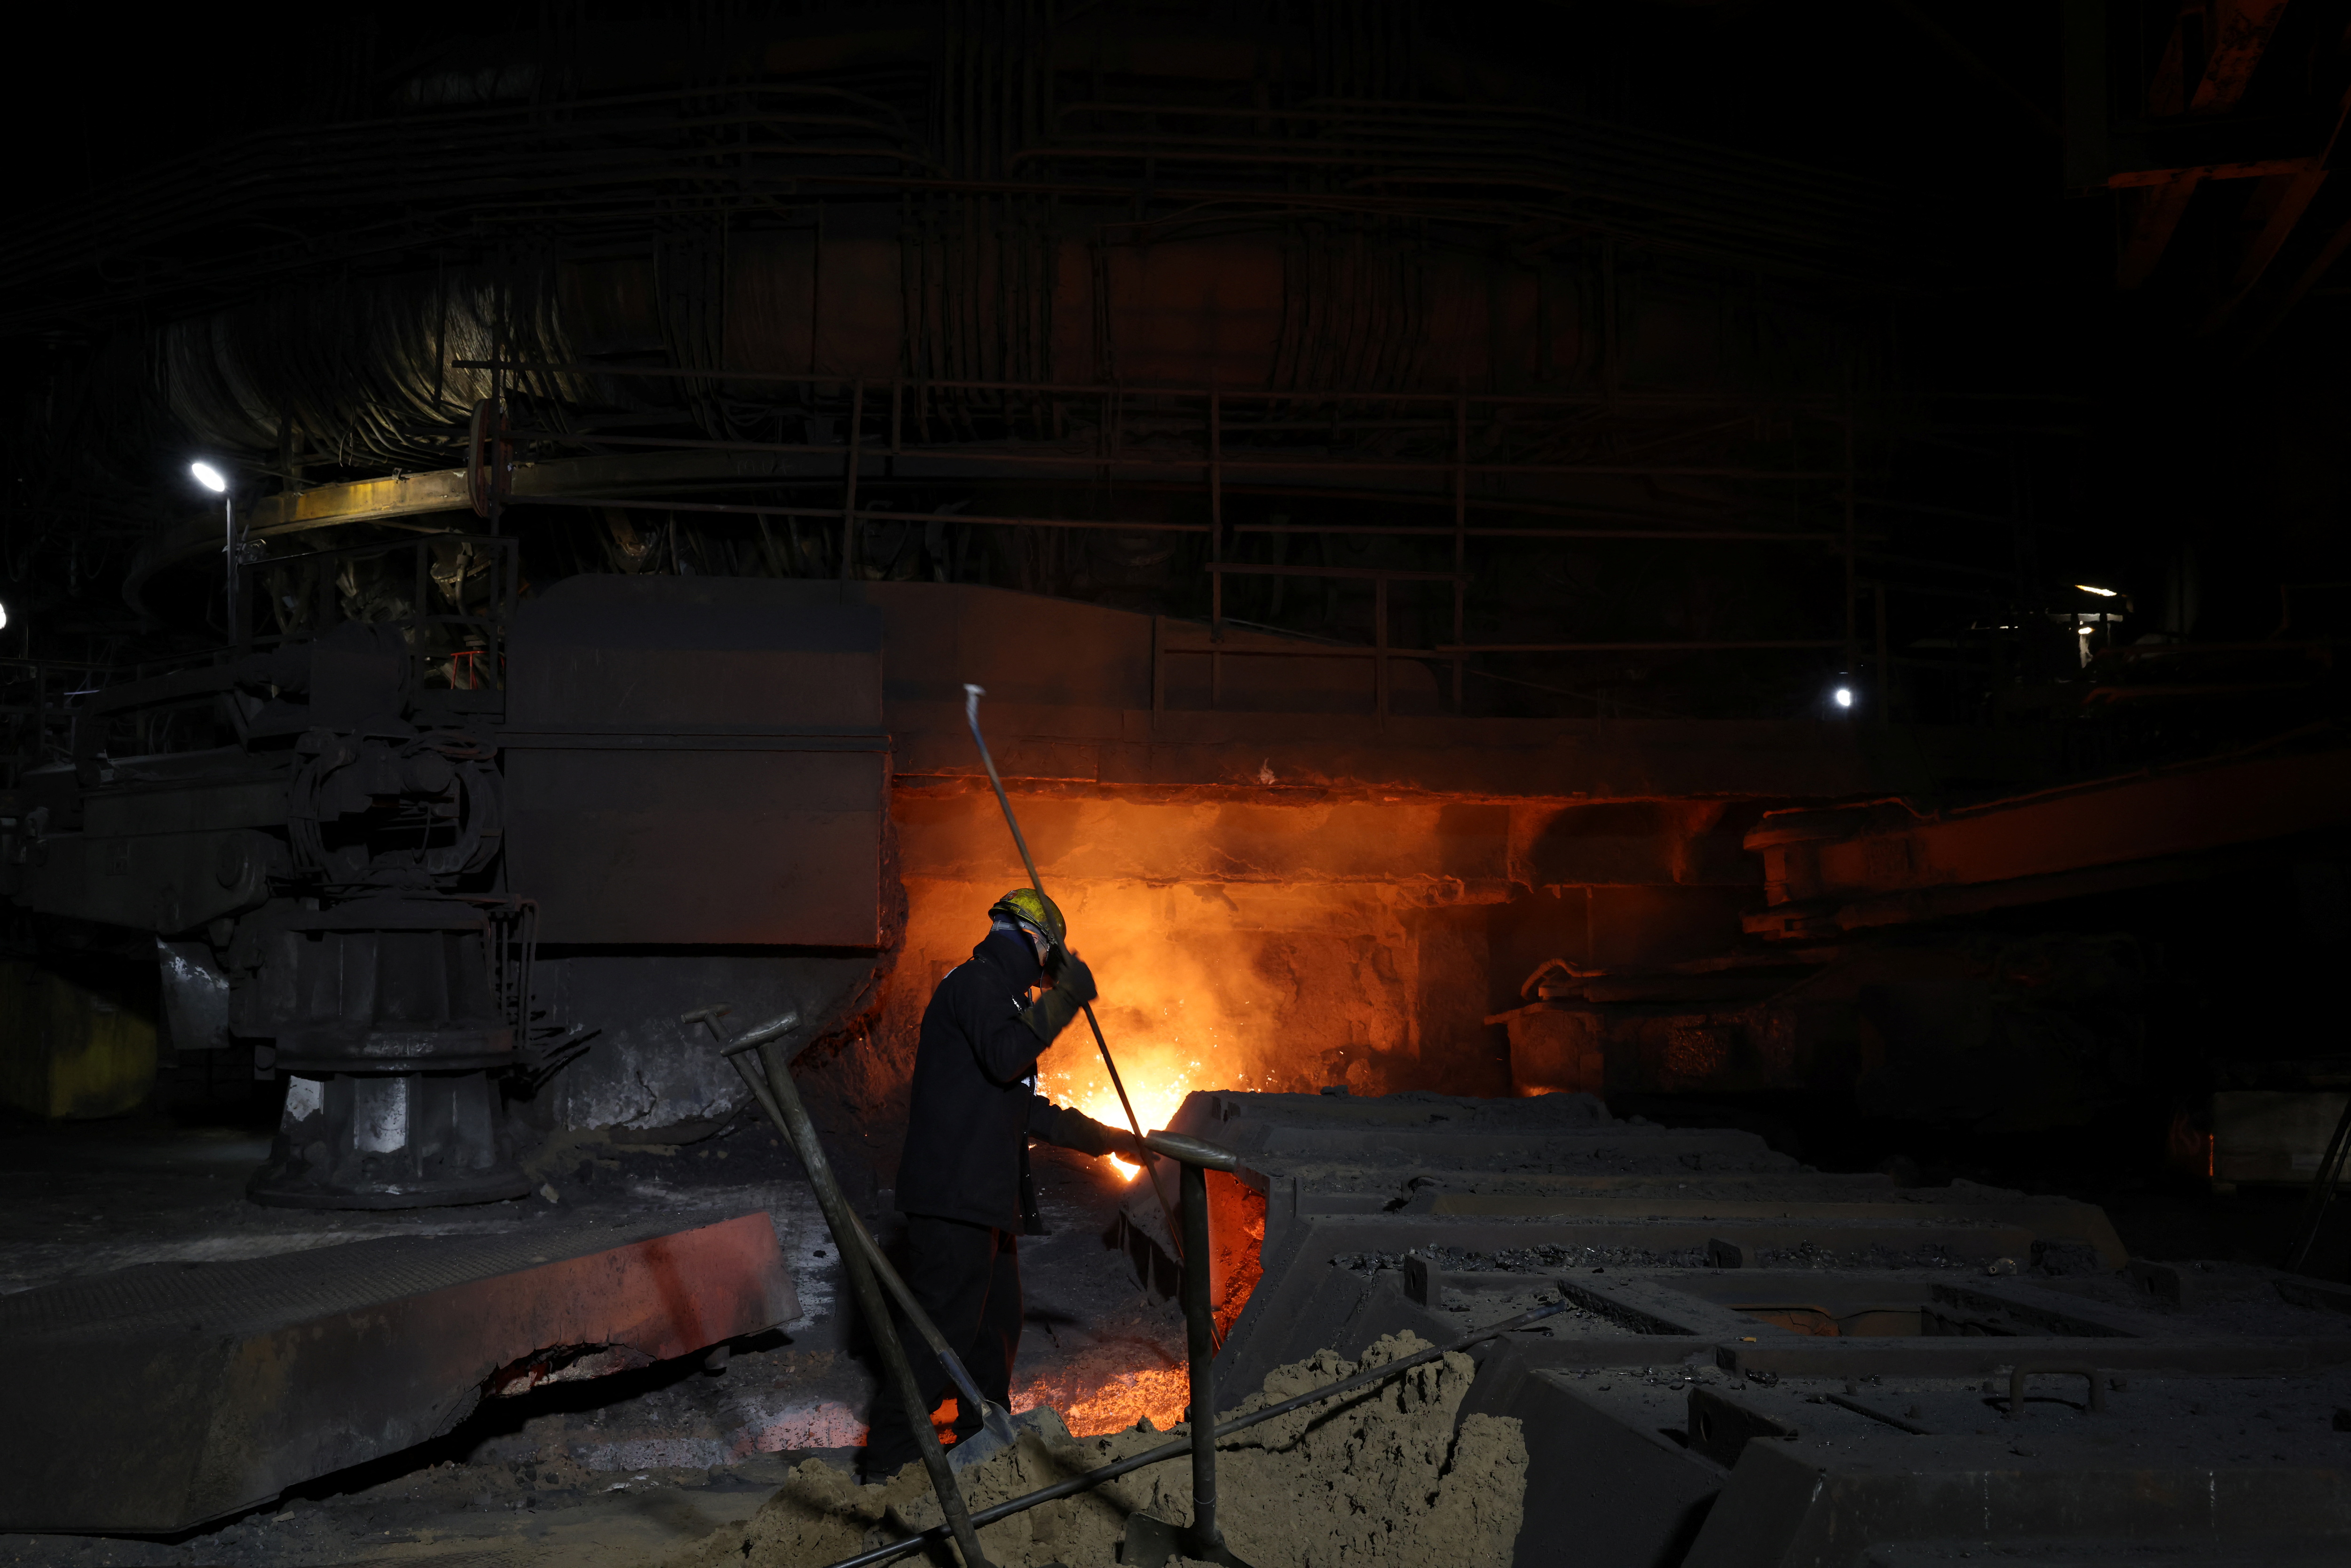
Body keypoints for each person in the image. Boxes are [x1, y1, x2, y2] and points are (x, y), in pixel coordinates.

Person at [862, 887, 1146, 1480]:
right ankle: (889, 1463)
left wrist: (1113, 1140)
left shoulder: (1003, 1003)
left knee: (994, 1328)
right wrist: (1065, 998)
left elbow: (1031, 1112)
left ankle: (978, 1443)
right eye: (1048, 958)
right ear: (1036, 941)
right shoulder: (975, 986)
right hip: (952, 1197)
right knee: (941, 1332)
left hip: (984, 1201)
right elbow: (1003, 1055)